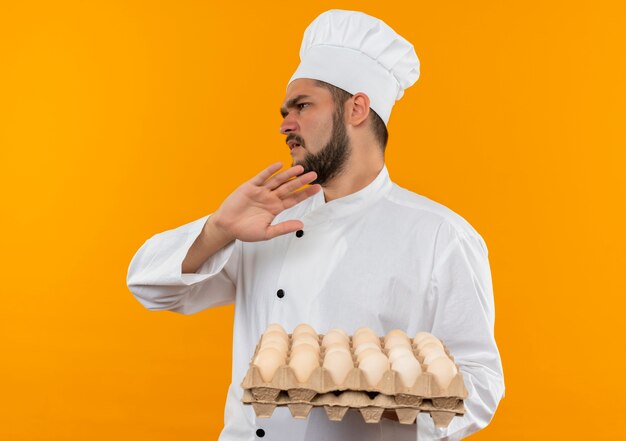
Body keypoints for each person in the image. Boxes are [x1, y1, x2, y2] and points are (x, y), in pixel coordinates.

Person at [127, 9, 504, 441]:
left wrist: (382, 400)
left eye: (302, 106)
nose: (285, 124)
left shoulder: (440, 236)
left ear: (357, 108)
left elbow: (481, 385)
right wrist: (219, 228)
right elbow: (149, 287)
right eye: (286, 111)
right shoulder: (267, 222)